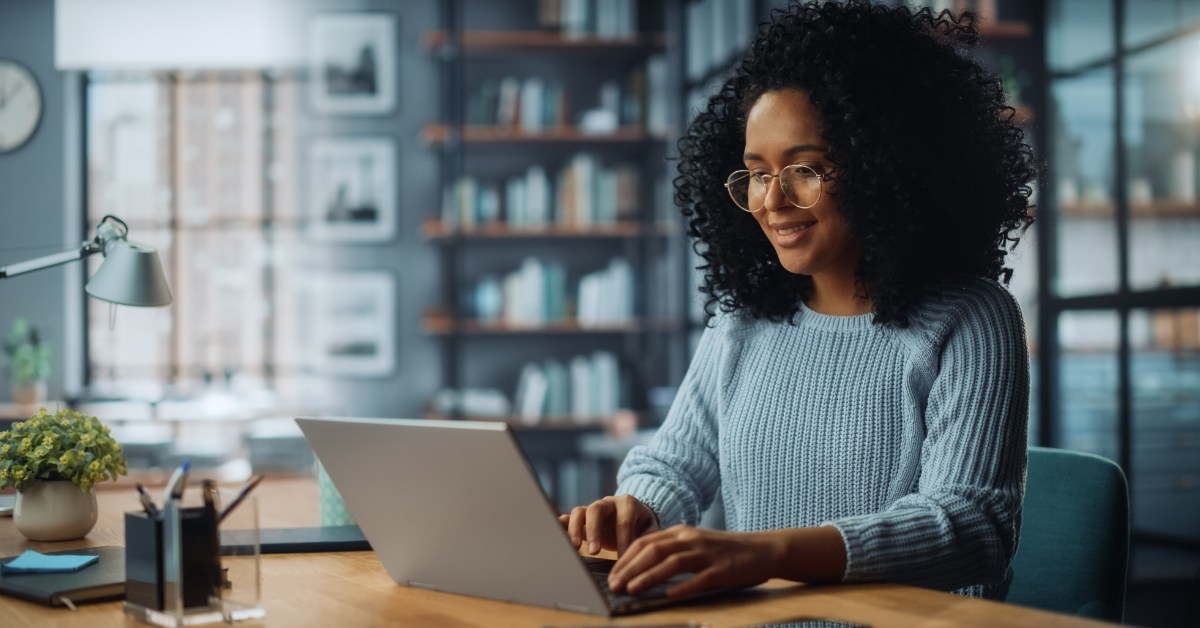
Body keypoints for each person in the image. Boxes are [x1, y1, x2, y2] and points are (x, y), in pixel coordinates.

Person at [560, 0, 1037, 602]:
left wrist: (763, 555)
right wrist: (637, 511)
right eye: (757, 173)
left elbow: (971, 527)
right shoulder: (742, 323)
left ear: (884, 167)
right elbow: (674, 465)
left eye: (804, 169)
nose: (772, 200)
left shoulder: (971, 319)